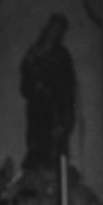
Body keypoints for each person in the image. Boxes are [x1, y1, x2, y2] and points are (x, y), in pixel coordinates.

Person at [20, 12, 76, 171]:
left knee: (55, 145)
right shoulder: (33, 52)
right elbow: (25, 87)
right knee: (37, 141)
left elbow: (68, 87)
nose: (54, 32)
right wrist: (35, 82)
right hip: (37, 107)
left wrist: (64, 119)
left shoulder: (62, 55)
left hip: (56, 108)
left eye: (58, 30)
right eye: (52, 28)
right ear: (47, 29)